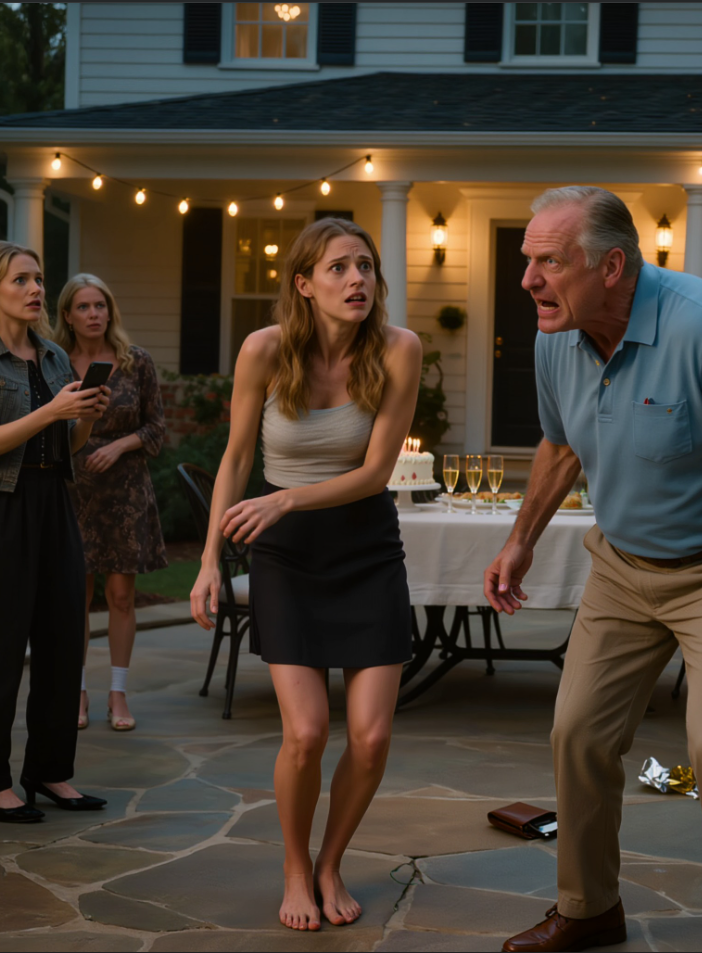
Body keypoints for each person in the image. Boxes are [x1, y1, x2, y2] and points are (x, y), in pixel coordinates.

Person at [484, 187, 702, 953]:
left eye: (548, 262)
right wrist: (521, 538)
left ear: (611, 265)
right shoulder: (555, 333)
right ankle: (588, 907)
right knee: (576, 732)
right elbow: (561, 443)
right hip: (622, 565)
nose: (529, 281)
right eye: (526, 261)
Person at [190, 218, 421, 930]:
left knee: (373, 736)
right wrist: (206, 563)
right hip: (285, 555)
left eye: (366, 267)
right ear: (303, 284)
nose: (358, 280)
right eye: (339, 268)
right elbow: (233, 461)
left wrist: (287, 495)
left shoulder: (399, 349)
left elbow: (377, 471)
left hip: (366, 547)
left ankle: (330, 860)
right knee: (307, 733)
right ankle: (296, 865)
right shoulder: (263, 349)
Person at [0, 241, 109, 823]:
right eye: (22, 280)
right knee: (0, 647)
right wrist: (49, 413)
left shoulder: (55, 356)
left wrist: (83, 417)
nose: (37, 289)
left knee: (65, 641)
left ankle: (50, 771)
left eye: (39, 279)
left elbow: (73, 447)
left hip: (53, 500)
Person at [52, 274, 167, 732]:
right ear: (67, 316)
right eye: (83, 307)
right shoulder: (54, 363)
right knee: (73, 598)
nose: (94, 314)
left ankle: (117, 694)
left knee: (121, 596)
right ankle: (76, 691)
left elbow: (157, 429)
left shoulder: (135, 362)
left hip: (125, 494)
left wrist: (118, 446)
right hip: (73, 492)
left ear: (110, 310)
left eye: (100, 305)